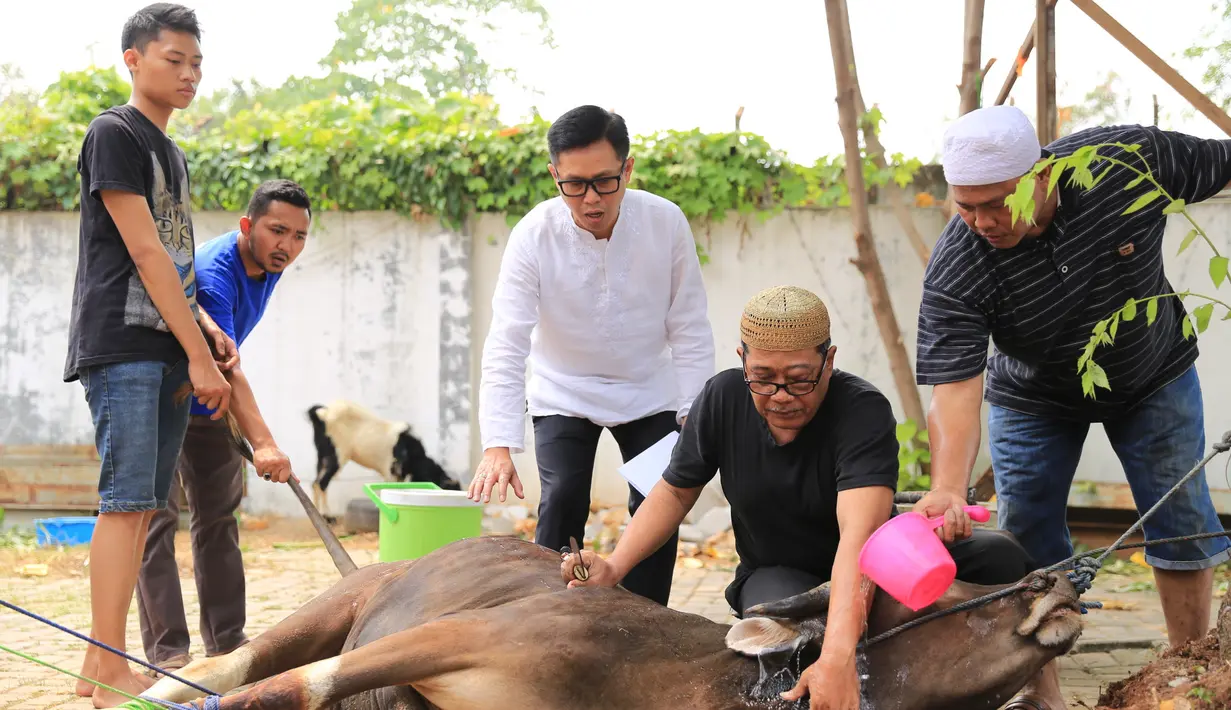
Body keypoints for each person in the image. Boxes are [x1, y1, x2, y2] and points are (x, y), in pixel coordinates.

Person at [564, 285, 1046, 710]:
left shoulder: (861, 409)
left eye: (800, 379)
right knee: (776, 628)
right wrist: (615, 566)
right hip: (781, 575)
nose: (780, 396)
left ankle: (1035, 690)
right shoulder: (721, 398)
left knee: (1005, 558)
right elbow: (673, 492)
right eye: (763, 378)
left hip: (878, 567)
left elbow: (859, 541)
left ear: (829, 360)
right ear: (742, 360)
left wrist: (837, 657)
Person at [912, 105, 1231, 710]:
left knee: (1183, 518)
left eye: (997, 201)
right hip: (1035, 396)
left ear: (1042, 174)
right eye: (965, 205)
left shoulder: (1127, 164)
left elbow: (1224, 161)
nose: (982, 221)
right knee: (1026, 530)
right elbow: (954, 389)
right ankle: (1040, 690)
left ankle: (1186, 674)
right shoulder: (958, 267)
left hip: (1153, 372)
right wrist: (949, 486)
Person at [471, 104, 716, 606]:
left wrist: (694, 411)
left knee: (656, 500)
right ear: (554, 174)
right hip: (563, 389)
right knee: (562, 500)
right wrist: (498, 442)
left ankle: (647, 625)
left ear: (627, 169)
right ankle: (549, 619)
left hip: (650, 392)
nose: (590, 199)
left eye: (605, 182)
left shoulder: (665, 223)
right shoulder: (533, 235)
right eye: (574, 184)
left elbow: (689, 325)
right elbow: (508, 339)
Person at [62, 4, 235, 707]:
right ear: (133, 60)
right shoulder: (114, 133)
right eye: (174, 59)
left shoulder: (172, 153)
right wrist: (198, 356)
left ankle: (99, 664)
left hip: (165, 345)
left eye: (197, 62)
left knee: (143, 508)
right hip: (125, 345)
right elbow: (140, 250)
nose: (190, 73)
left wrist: (200, 327)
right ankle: (108, 672)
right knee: (126, 504)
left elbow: (172, 262)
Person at [134, 179, 312, 677]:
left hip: (207, 402)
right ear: (247, 226)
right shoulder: (215, 270)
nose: (288, 246)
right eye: (278, 231)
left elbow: (224, 366)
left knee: (218, 520)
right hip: (158, 398)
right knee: (155, 522)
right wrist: (266, 444)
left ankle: (228, 647)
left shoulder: (268, 264)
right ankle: (168, 656)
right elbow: (228, 366)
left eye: (299, 236)